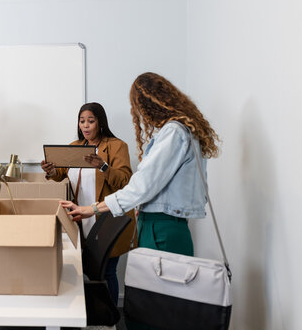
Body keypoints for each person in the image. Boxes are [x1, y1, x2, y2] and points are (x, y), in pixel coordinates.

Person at [60, 73, 220, 330]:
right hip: (163, 224)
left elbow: (138, 186)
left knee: (156, 309)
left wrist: (93, 208)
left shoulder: (172, 133)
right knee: (163, 306)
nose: (138, 115)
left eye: (137, 107)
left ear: (147, 104)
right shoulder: (181, 131)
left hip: (161, 228)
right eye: (82, 121)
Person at [41, 102, 134, 304]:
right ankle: (94, 312)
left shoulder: (117, 146)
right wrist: (50, 170)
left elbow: (125, 180)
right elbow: (62, 174)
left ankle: (110, 318)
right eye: (82, 121)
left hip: (107, 217)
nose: (86, 126)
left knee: (107, 270)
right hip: (81, 217)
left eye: (90, 121)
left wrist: (103, 166)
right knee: (88, 269)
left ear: (100, 122)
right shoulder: (76, 146)